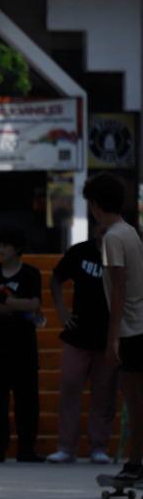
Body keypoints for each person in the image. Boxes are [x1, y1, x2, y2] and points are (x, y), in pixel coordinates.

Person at [84, 174, 143, 482]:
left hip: (132, 329)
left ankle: (136, 462)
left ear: (94, 205)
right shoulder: (130, 231)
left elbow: (118, 287)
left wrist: (112, 339)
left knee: (134, 404)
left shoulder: (111, 239)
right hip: (138, 323)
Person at [47, 223, 117, 464]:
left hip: (109, 334)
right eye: (102, 228)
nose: (104, 232)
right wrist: (62, 311)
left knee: (104, 392)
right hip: (78, 333)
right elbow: (56, 278)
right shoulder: (80, 252)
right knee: (69, 386)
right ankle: (66, 446)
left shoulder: (124, 255)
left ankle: (99, 446)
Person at [0, 227, 43, 464]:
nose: (0, 250)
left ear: (17, 248)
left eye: (5, 245)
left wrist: (6, 302)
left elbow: (35, 304)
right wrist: (18, 305)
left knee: (28, 399)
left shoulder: (31, 274)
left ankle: (27, 448)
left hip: (24, 347)